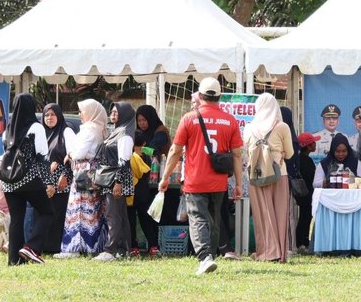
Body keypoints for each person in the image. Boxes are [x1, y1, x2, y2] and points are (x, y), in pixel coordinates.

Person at [159, 76, 244, 276]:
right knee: (214, 220)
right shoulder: (230, 120)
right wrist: (239, 184)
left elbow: (175, 151)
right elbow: (237, 155)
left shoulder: (189, 118)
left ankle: (205, 258)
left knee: (197, 218)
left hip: (195, 180)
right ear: (219, 96)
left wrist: (165, 177)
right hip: (219, 181)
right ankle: (210, 256)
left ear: (200, 96)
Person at [0, 93, 52, 265]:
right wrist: (48, 182)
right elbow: (43, 157)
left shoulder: (8, 129)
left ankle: (14, 260)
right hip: (29, 179)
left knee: (16, 219)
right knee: (47, 212)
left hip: (8, 181)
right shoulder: (36, 127)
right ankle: (32, 247)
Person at [244, 91, 295, 262]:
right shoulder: (282, 127)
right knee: (280, 213)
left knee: (262, 214)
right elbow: (290, 153)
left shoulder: (249, 128)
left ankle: (266, 251)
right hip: (279, 173)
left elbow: (246, 151)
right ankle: (279, 252)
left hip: (257, 175)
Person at [88, 102, 138, 261]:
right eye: (112, 112)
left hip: (116, 179)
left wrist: (118, 183)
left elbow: (124, 161)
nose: (113, 114)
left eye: (117, 112)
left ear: (124, 114)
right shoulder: (117, 131)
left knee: (113, 215)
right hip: (111, 178)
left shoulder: (125, 134)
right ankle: (122, 249)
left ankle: (110, 250)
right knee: (119, 214)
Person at [60, 99, 109, 257]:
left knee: (79, 209)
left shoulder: (89, 129)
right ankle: (94, 245)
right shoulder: (101, 129)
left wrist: (69, 154)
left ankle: (75, 247)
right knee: (94, 211)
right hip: (94, 174)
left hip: (83, 172)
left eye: (82, 111)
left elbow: (79, 153)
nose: (80, 114)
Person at [133, 105, 172, 256]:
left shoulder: (160, 131)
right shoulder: (138, 133)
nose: (142, 123)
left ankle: (154, 245)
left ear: (151, 118)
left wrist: (138, 149)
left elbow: (154, 149)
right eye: (139, 121)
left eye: (144, 120)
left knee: (149, 213)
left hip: (160, 176)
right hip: (142, 180)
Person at [40, 103, 70, 256]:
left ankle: (56, 246)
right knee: (45, 213)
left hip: (61, 182)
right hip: (44, 181)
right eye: (46, 115)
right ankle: (44, 245)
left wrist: (65, 174)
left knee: (58, 213)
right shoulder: (41, 134)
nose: (49, 118)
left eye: (52, 114)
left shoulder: (65, 132)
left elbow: (72, 155)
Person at [289, 131, 316, 253]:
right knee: (305, 217)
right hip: (307, 193)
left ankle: (302, 240)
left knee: (304, 216)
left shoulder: (298, 159)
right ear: (309, 146)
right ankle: (302, 241)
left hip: (302, 192)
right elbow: (311, 177)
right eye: (313, 143)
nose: (315, 144)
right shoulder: (307, 161)